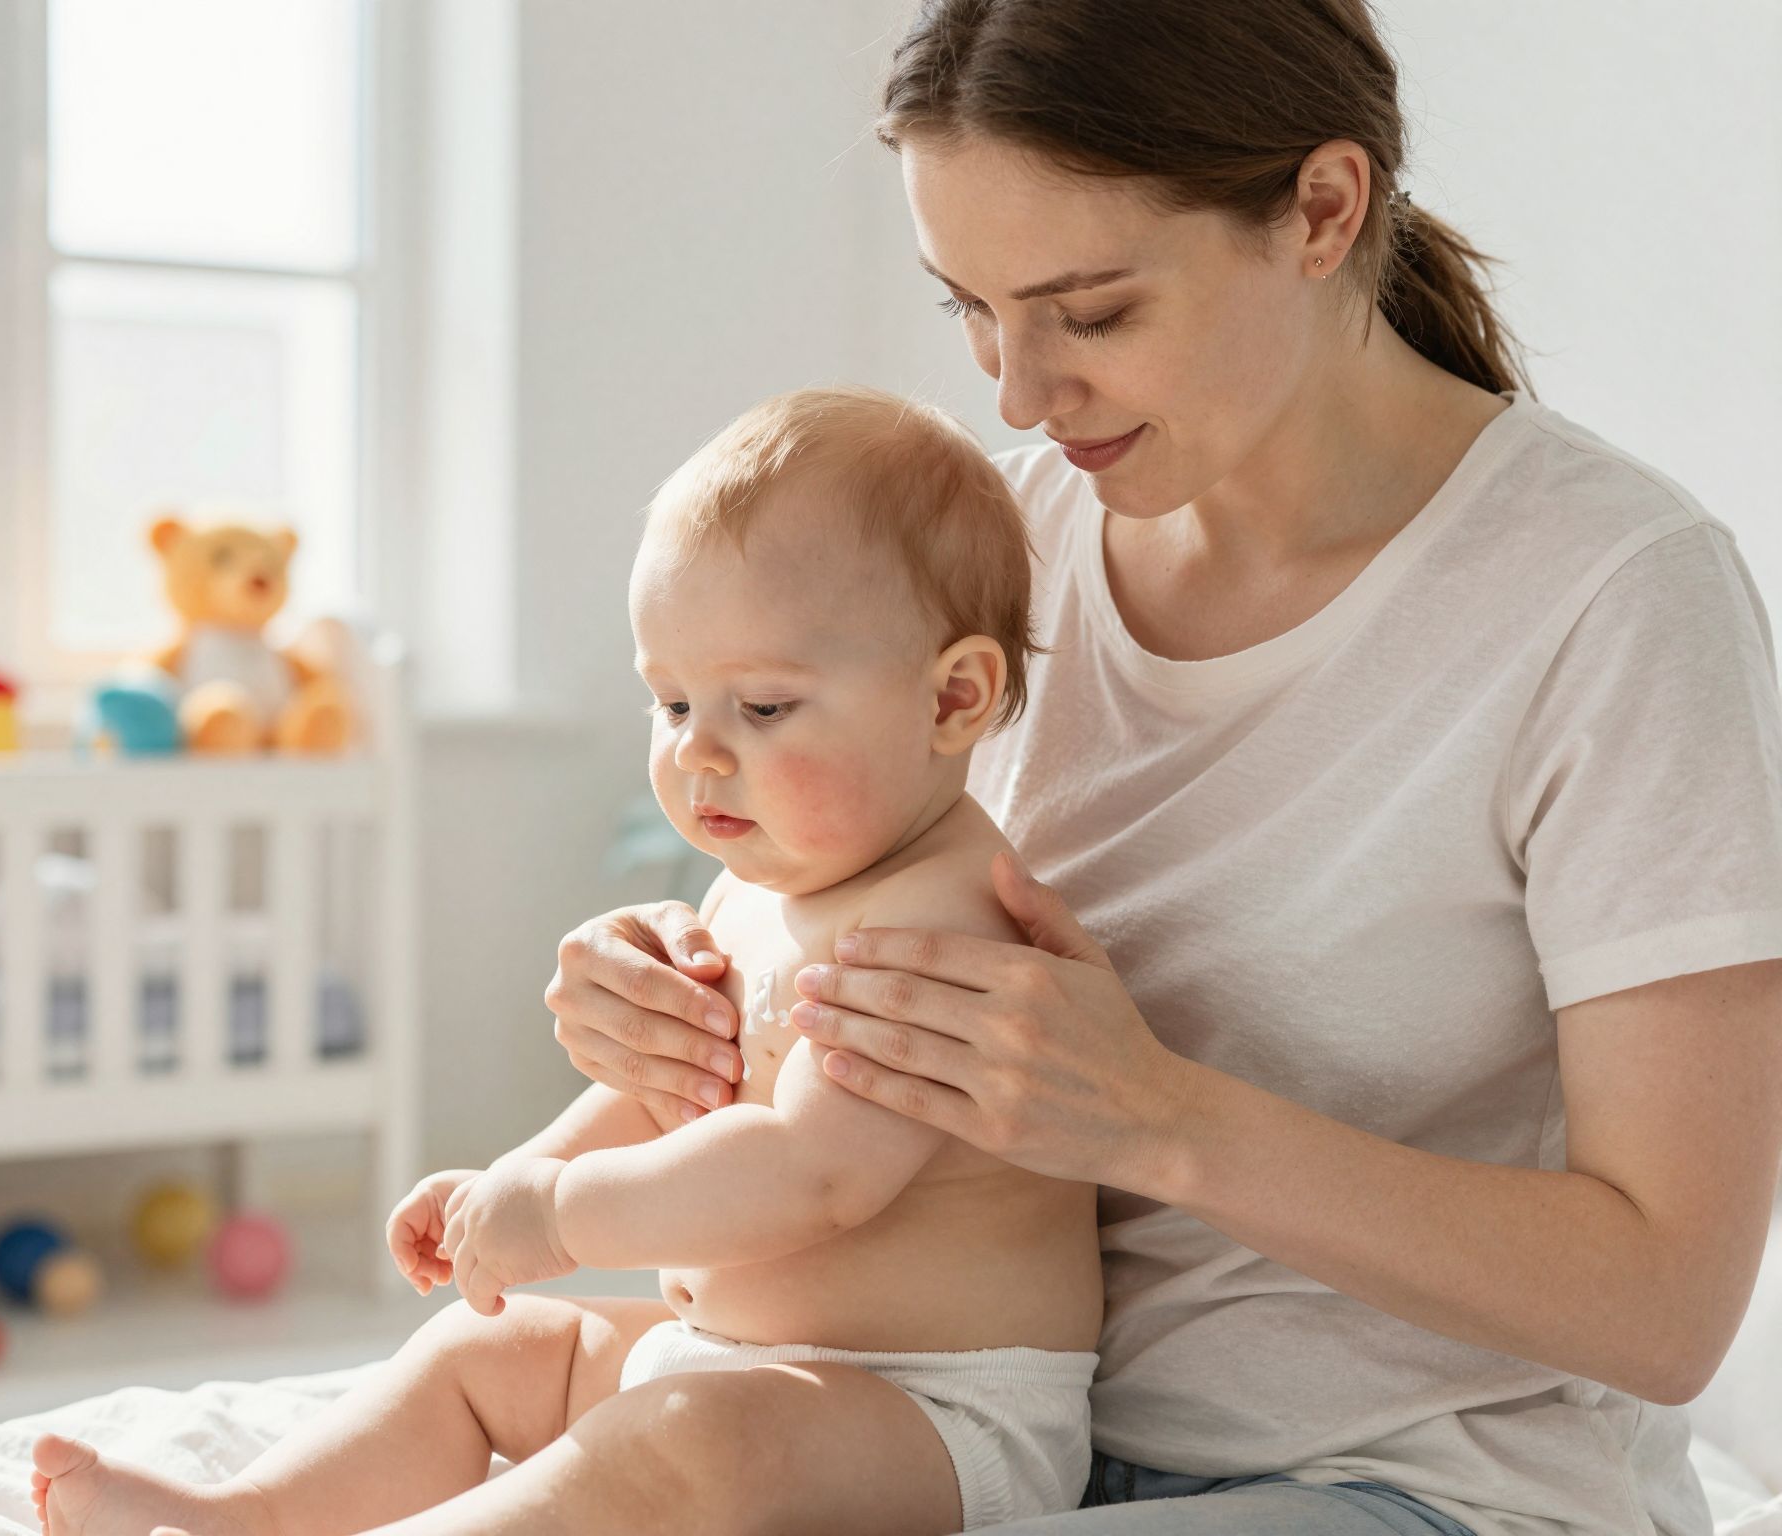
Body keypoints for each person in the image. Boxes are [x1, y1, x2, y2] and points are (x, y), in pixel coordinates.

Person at [119, 1, 1782, 1532]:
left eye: (1089, 312)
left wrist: (1164, 1121)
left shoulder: (1608, 599)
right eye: (970, 309)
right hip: (965, 1443)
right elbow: (828, 944)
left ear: (1322, 211)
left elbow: (1662, 1301)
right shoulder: (1002, 547)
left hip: (1408, 1487)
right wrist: (671, 1010)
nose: (1014, 387)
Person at [27, 385, 1112, 1536]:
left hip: (934, 1421)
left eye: (762, 705)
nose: (697, 747)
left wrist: (556, 1214)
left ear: (952, 697)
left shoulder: (935, 929)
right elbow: (665, 1094)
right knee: (488, 1345)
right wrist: (512, 1180)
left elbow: (811, 1174)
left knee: (680, 1443)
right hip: (738, 1366)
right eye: (670, 698)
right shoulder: (761, 884)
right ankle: (246, 1514)